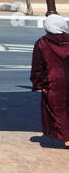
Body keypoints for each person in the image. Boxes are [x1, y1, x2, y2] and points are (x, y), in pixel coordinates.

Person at [31, 13, 69, 145]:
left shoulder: (42, 43)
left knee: (58, 111)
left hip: (53, 82)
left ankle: (67, 138)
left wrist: (37, 83)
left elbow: (37, 66)